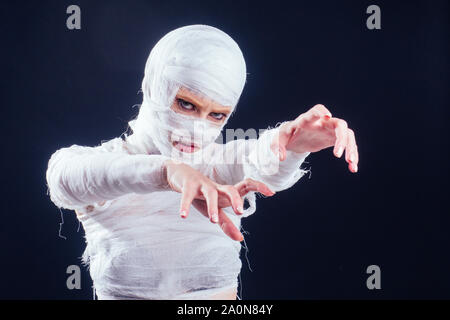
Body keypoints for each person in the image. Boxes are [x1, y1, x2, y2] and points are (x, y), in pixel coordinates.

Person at [45, 24, 359, 300]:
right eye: (187, 104)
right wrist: (167, 172)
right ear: (155, 87)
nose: (198, 128)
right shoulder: (103, 166)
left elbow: (257, 160)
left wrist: (292, 147)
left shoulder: (218, 166)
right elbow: (63, 178)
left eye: (217, 115)